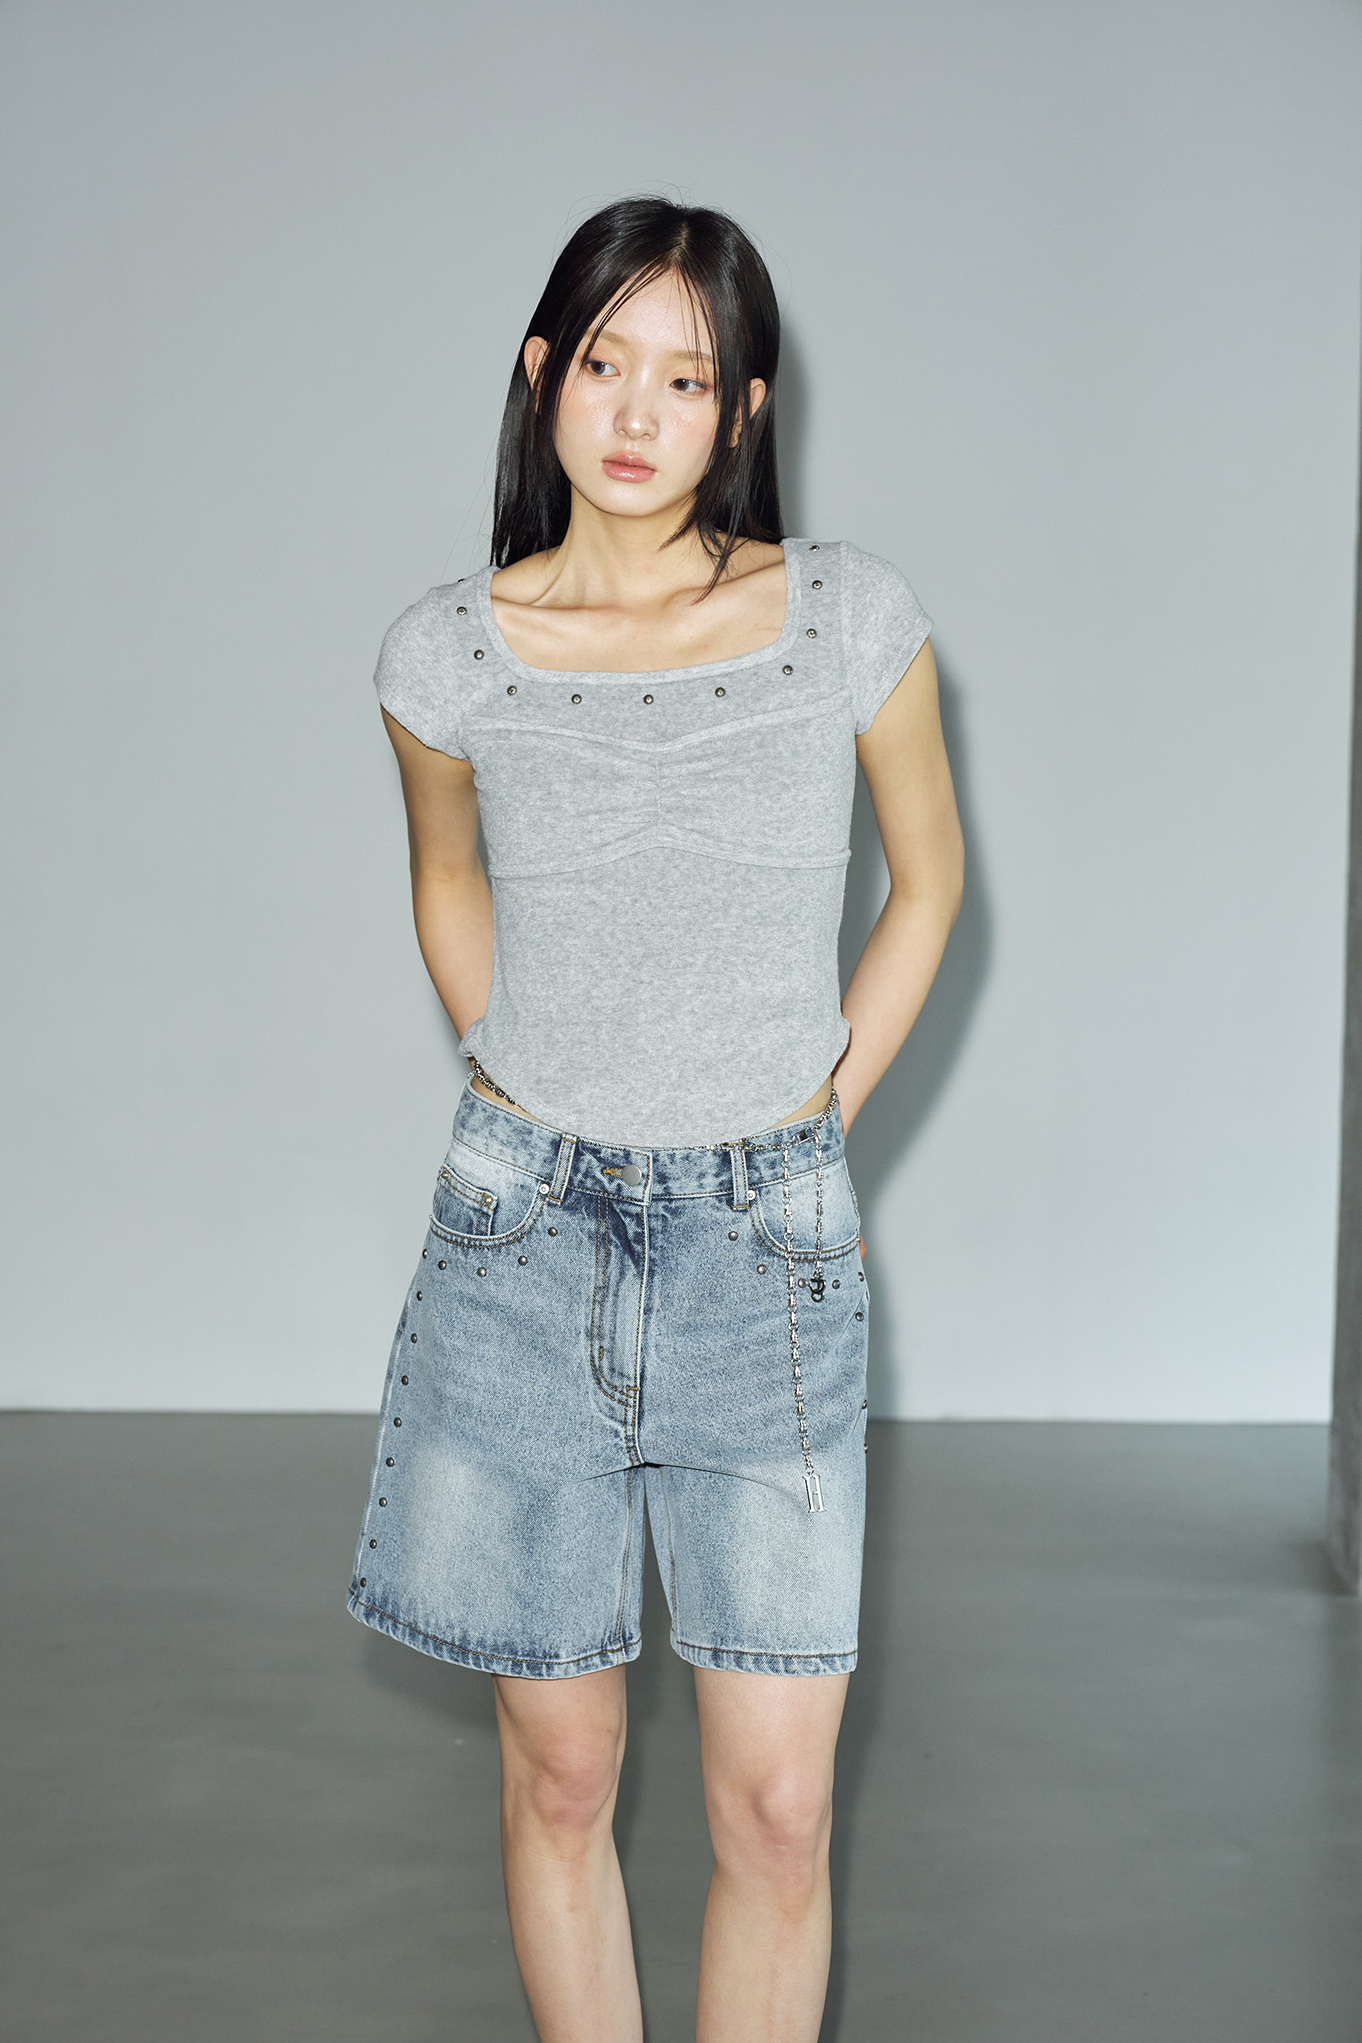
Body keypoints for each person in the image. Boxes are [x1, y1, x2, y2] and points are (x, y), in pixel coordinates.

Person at [348, 195, 963, 2043]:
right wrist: (528, 1073)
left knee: (774, 1806)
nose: (635, 411)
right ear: (543, 375)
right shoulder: (445, 657)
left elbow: (928, 885)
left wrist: (810, 1114)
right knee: (562, 1775)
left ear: (742, 407)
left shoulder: (845, 619)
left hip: (763, 1255)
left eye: (684, 379)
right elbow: (445, 881)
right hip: (519, 1245)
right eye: (604, 362)